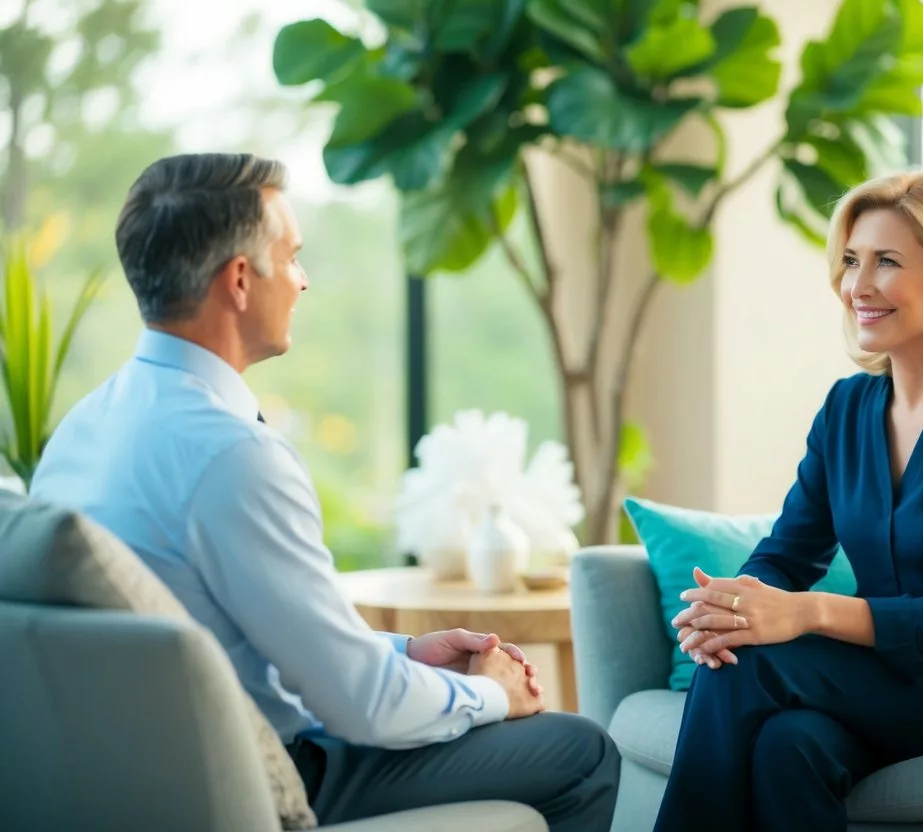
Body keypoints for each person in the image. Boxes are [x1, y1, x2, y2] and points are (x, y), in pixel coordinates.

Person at [30, 153, 620, 831]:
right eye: (293, 256)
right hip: (253, 779)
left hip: (129, 777)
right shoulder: (233, 456)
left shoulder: (84, 429)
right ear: (241, 280)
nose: (304, 281)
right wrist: (487, 692)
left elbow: (245, 640)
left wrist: (405, 651)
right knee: (582, 749)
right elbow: (361, 707)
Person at [654, 171, 923, 831]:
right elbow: (788, 554)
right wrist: (734, 608)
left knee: (749, 671)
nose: (857, 285)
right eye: (851, 261)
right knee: (786, 747)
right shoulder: (847, 407)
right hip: (881, 676)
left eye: (886, 262)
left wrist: (804, 614)